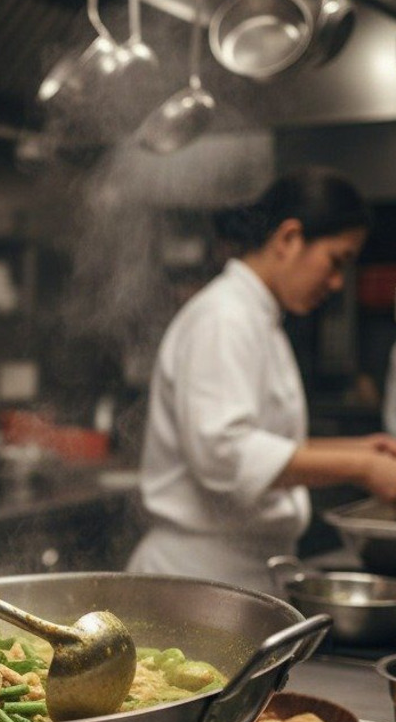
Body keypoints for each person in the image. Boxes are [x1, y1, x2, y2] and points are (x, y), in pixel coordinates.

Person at [126, 166, 396, 591]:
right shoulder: (224, 317)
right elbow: (225, 453)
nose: (337, 281)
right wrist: (362, 467)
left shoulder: (259, 318)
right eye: (335, 260)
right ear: (289, 239)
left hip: (237, 572)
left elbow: (262, 444)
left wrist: (361, 448)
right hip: (199, 575)